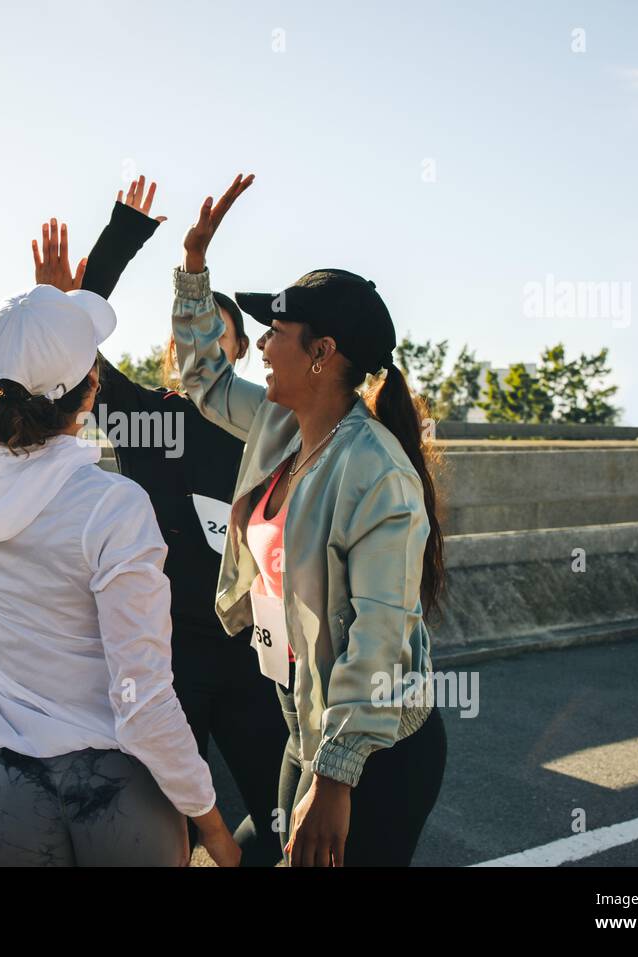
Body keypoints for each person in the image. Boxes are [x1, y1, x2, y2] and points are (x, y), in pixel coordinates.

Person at [171, 174, 448, 866]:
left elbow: (378, 638)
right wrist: (194, 272)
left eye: (276, 334)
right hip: (307, 729)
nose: (260, 346)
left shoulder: (376, 471)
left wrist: (336, 777)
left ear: (322, 353)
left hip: (376, 749)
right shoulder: (279, 424)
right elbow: (202, 376)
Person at [27, 176, 288, 866]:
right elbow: (75, 344)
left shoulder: (269, 427)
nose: (192, 346)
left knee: (285, 820)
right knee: (157, 834)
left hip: (257, 651)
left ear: (232, 355)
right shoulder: (151, 422)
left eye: (213, 334)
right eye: (182, 337)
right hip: (169, 662)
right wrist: (120, 236)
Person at [0, 281, 240, 867]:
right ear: (93, 386)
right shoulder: (112, 505)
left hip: (5, 783)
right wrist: (214, 827)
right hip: (115, 787)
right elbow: (144, 701)